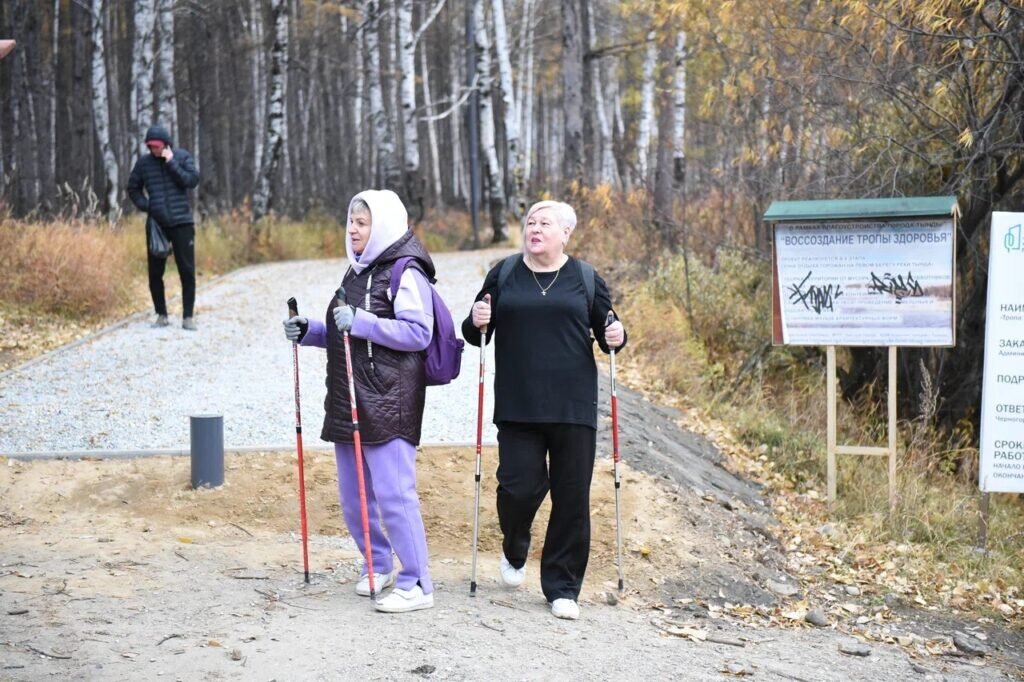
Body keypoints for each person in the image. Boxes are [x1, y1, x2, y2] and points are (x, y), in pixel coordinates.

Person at [462, 200, 626, 621]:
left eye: (544, 223)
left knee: (571, 498)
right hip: (518, 404)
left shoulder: (586, 278)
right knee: (518, 487)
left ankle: (562, 587)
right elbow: (476, 329)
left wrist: (617, 333)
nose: (534, 229)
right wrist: (476, 317)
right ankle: (515, 546)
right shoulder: (504, 273)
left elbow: (610, 332)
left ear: (565, 232)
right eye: (530, 222)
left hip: (573, 406)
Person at [283, 189, 436, 613]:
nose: (353, 230)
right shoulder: (355, 272)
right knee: (354, 496)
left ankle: (417, 583)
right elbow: (343, 331)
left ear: (383, 225)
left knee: (394, 494)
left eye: (362, 223)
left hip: (391, 399)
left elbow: (418, 333)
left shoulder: (406, 272)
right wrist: (310, 329)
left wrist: (364, 322)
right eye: (351, 222)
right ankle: (379, 562)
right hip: (349, 397)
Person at [127, 125, 201, 330]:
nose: (154, 150)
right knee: (155, 272)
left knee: (186, 271)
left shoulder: (181, 157)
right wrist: (148, 206)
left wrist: (171, 162)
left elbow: (192, 180)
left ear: (166, 145)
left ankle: (188, 317)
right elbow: (132, 188)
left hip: (182, 223)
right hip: (157, 225)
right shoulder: (143, 164)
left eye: (157, 147)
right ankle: (161, 314)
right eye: (151, 147)